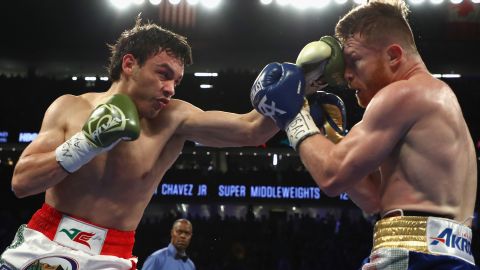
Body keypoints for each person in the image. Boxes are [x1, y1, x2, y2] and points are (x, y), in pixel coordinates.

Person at [0, 17, 281, 270]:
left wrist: (301, 86)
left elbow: (252, 130)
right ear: (129, 64)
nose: (171, 89)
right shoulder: (69, 107)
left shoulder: (174, 119)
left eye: (177, 81)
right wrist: (86, 143)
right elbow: (22, 183)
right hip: (44, 239)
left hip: (111, 256)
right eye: (163, 74)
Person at [251, 0, 477, 269]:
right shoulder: (437, 98)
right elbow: (372, 197)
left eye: (355, 61)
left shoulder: (403, 93)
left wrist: (293, 115)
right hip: (451, 256)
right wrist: (332, 138)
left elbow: (331, 176)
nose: (346, 75)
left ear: (393, 55)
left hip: (412, 254)